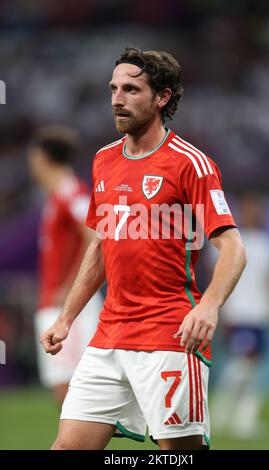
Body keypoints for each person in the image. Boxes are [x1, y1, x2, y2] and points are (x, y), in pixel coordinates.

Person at [40, 47, 246, 450]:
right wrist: (66, 318)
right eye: (113, 88)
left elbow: (233, 248)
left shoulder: (192, 164)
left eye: (131, 89)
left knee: (179, 452)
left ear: (162, 97)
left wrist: (208, 307)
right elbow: (101, 245)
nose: (117, 98)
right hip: (109, 335)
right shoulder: (103, 161)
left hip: (170, 335)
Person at [28, 126, 102, 406]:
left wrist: (72, 285)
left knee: (72, 388)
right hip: (56, 303)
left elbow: (95, 234)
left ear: (41, 158)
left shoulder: (70, 191)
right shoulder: (57, 195)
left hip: (69, 304)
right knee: (66, 389)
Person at [211, 192, 269, 439]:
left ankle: (237, 417)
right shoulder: (229, 241)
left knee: (250, 368)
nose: (253, 212)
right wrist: (220, 309)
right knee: (244, 364)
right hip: (239, 313)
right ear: (240, 210)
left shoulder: (268, 243)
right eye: (249, 207)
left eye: (257, 208)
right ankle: (229, 416)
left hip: (261, 314)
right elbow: (218, 279)